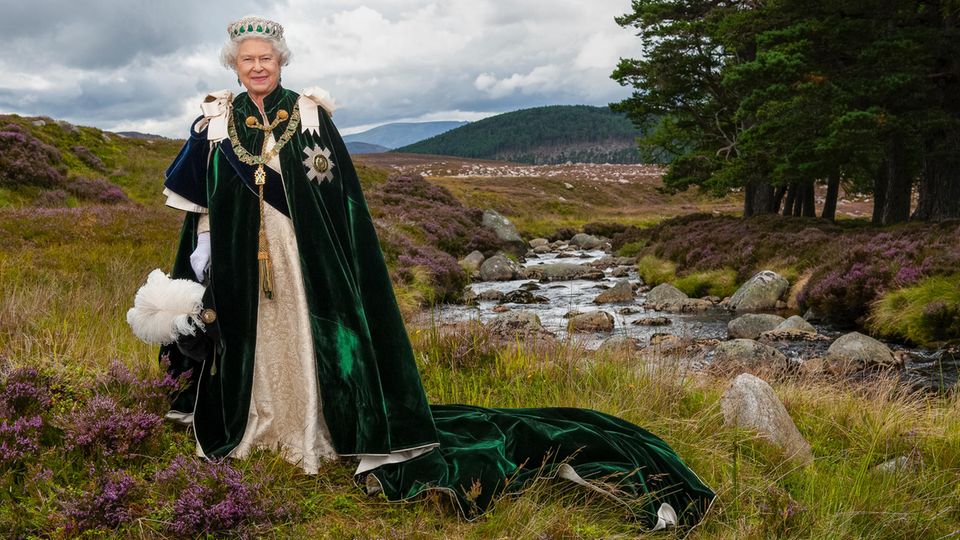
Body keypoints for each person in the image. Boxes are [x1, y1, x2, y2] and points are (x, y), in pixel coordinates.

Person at [158, 15, 714, 529]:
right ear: (234, 63)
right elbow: (202, 205)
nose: (258, 67)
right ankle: (257, 431)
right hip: (239, 265)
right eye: (248, 59)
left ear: (282, 62)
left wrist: (335, 264)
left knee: (307, 341)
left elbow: (340, 207)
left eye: (268, 59)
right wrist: (202, 258)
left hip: (307, 265)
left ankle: (314, 434)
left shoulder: (309, 117)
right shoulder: (216, 122)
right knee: (252, 343)